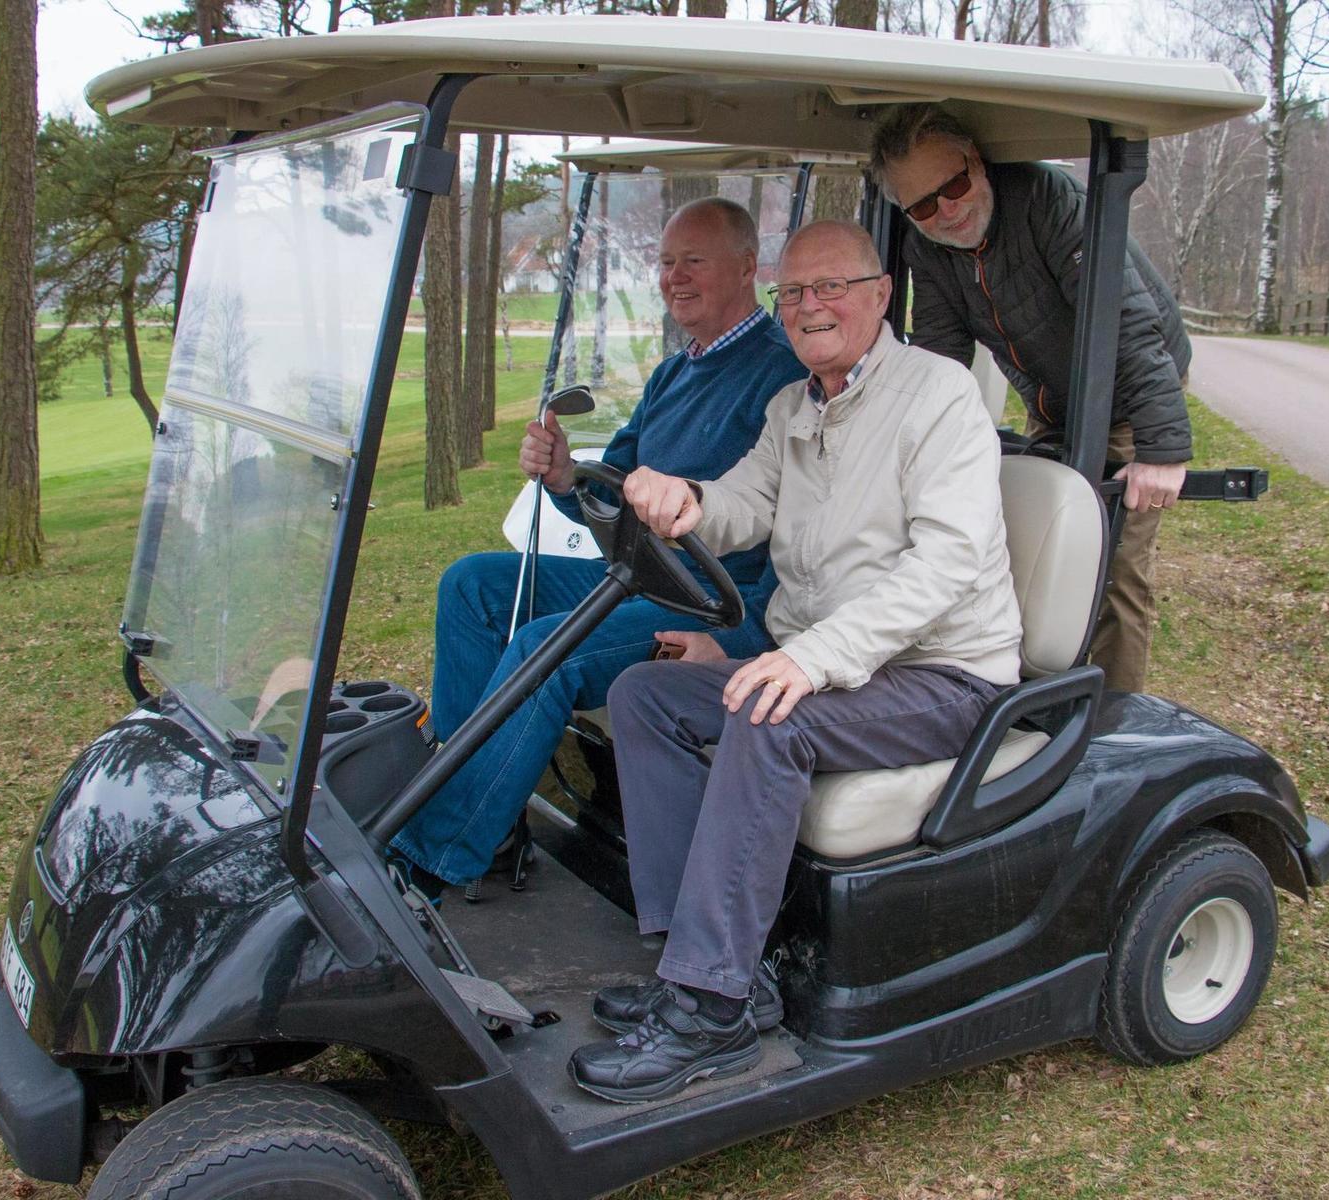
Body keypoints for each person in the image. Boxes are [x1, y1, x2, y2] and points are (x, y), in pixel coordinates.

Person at [565, 221, 1022, 1103]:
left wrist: (810, 659)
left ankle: (713, 1013)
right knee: (645, 694)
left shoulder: (938, 396)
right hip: (835, 661)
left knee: (765, 714)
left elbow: (947, 564)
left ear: (880, 294)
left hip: (941, 673)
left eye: (832, 287)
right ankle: (692, 967)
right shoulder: (796, 406)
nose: (811, 307)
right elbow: (742, 504)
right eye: (794, 294)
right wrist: (683, 499)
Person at [389, 198, 807, 898]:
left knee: (544, 649)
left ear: (746, 267)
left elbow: (791, 542)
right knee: (472, 587)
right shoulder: (677, 372)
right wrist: (560, 475)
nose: (675, 278)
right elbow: (609, 487)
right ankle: (481, 822)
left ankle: (431, 860)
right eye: (667, 262)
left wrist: (746, 638)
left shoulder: (781, 375)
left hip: (710, 606)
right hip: (633, 578)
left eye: (694, 261)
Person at [867, 103, 1192, 695]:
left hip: (1127, 386)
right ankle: (1027, 700)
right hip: (1052, 398)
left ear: (977, 161)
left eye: (955, 186)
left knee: (1112, 566)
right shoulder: (928, 248)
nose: (946, 211)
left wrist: (1162, 446)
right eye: (921, 206)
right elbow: (941, 356)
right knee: (1025, 549)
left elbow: (1126, 323)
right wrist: (903, 445)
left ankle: (1109, 726)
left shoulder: (1047, 198)